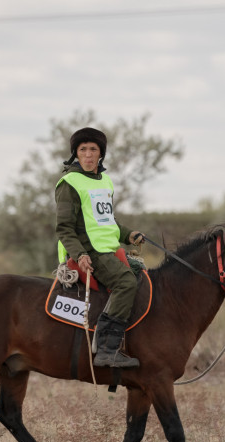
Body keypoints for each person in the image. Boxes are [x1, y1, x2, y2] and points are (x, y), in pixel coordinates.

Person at [56, 127, 145, 368]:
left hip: (107, 249)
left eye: (92, 149)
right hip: (87, 251)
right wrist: (80, 254)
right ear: (75, 153)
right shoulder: (69, 183)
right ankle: (106, 349)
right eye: (82, 149)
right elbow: (64, 229)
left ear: (100, 154)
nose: (87, 154)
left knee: (142, 274)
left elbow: (107, 221)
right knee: (126, 281)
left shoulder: (105, 181)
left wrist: (129, 235)